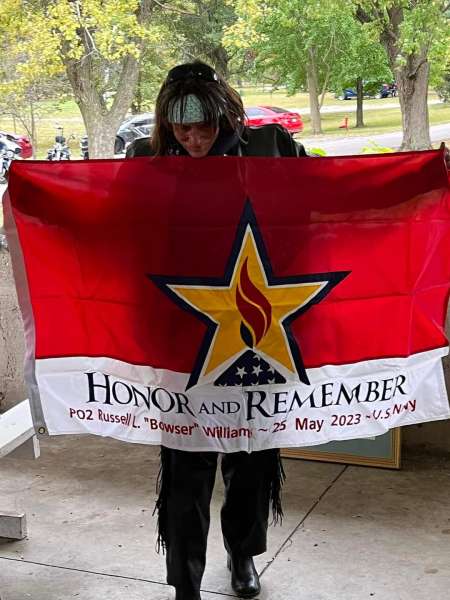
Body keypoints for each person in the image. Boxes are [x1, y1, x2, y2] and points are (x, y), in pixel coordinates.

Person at [126, 61, 307, 600]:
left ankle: (242, 552)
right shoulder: (144, 160)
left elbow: (334, 196)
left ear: (225, 116)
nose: (194, 138)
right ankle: (185, 577)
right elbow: (104, 222)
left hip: (256, 329)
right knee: (186, 461)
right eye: (182, 128)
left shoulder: (270, 148)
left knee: (251, 455)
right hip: (178, 331)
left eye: (204, 126)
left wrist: (418, 175)